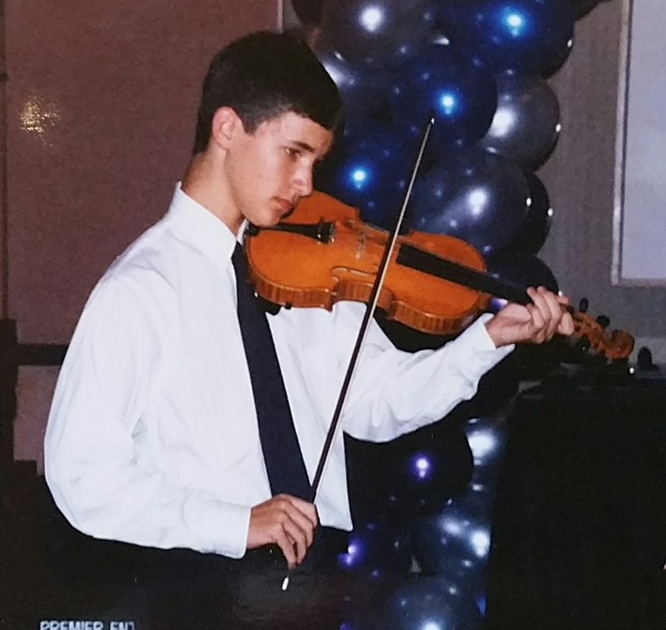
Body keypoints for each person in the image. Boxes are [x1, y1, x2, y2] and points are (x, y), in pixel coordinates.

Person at [44, 30, 573, 601]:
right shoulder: (141, 288)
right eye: (293, 153)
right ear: (228, 128)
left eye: (316, 162)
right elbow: (81, 475)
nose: (305, 185)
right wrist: (235, 523)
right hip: (199, 584)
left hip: (315, 577)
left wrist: (489, 339)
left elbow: (375, 402)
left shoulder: (304, 265)